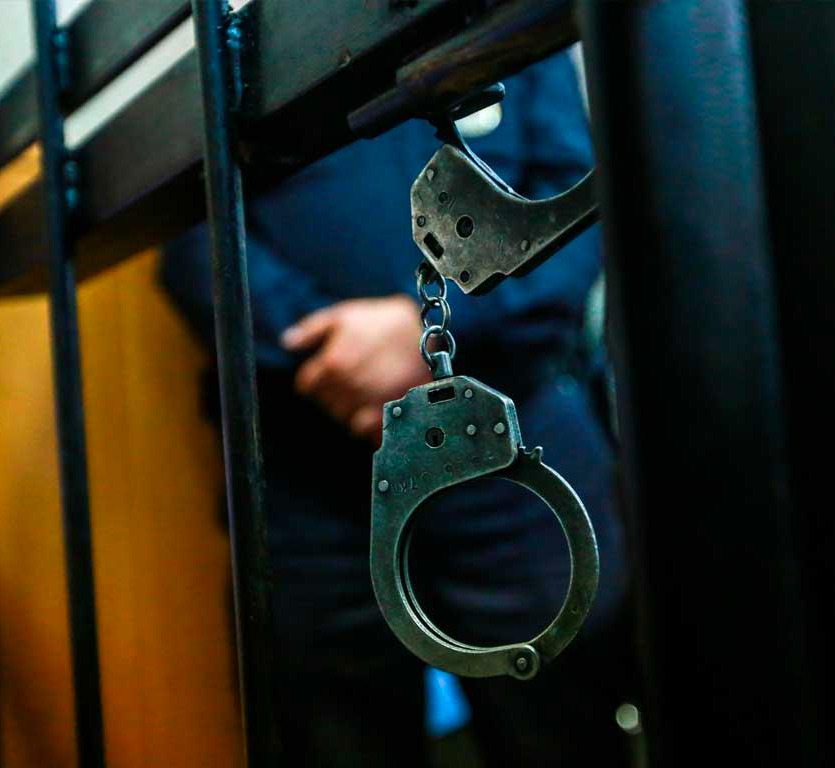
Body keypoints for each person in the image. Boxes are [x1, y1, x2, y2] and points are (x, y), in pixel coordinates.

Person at [162, 51, 628, 767]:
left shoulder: (503, 19)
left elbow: (581, 212)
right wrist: (338, 351)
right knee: (333, 740)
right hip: (309, 473)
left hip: (513, 446)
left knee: (562, 730)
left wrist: (433, 334)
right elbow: (193, 239)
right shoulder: (239, 37)